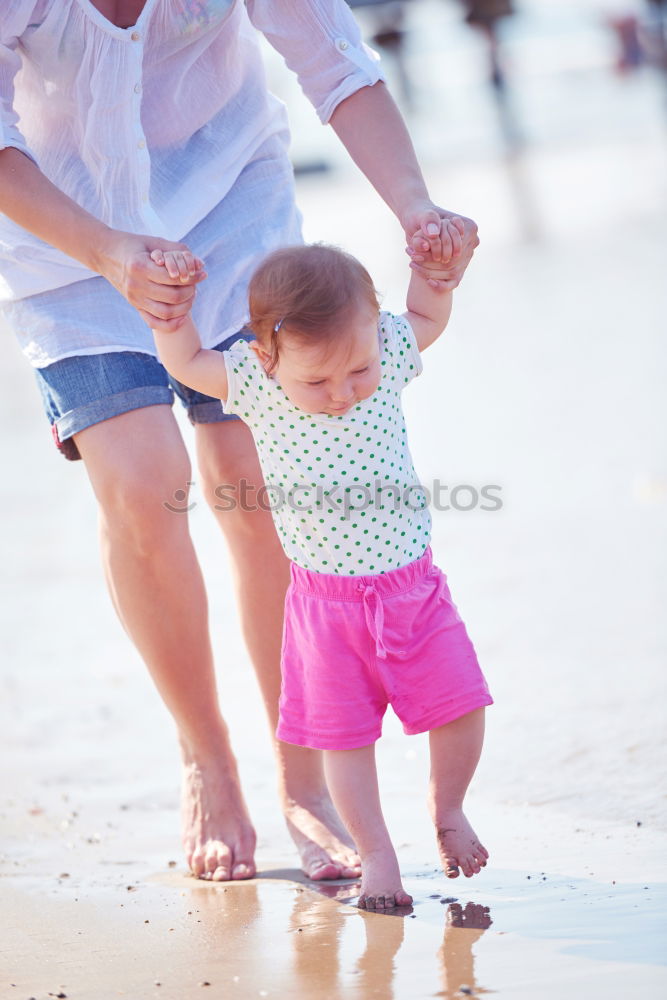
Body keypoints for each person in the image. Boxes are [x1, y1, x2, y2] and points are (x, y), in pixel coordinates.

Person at [0, 0, 478, 882]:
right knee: (146, 487)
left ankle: (302, 774)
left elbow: (337, 65)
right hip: (65, 242)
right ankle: (207, 761)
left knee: (255, 495)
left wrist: (417, 209)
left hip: (230, 206)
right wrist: (108, 251)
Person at [150, 238, 493, 909]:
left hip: (411, 590)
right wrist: (172, 318)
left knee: (461, 703)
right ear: (266, 358)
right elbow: (188, 362)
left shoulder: (387, 352)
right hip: (323, 608)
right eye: (316, 381)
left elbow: (426, 318)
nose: (341, 393)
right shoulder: (253, 382)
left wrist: (434, 275)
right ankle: (376, 855)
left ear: (375, 335)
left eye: (358, 371)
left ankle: (447, 807)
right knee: (344, 739)